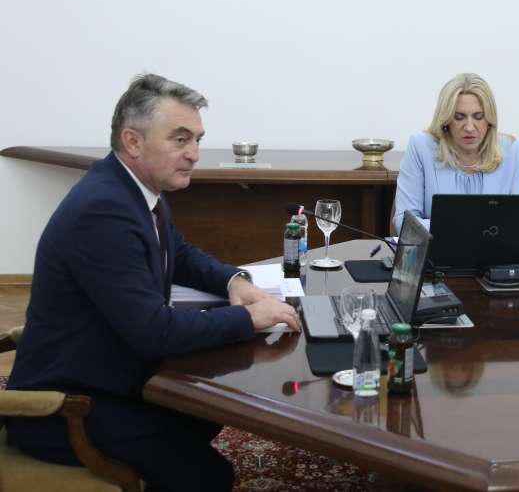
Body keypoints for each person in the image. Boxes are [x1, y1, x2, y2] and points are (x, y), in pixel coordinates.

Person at [6, 74, 300, 491]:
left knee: (204, 414)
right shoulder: (102, 211)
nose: (194, 153)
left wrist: (234, 281)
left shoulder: (134, 190)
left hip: (105, 374)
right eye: (180, 139)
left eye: (196, 139)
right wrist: (250, 319)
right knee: (208, 475)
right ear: (133, 141)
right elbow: (154, 332)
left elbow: (178, 254)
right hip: (65, 406)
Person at [394, 73, 519, 233]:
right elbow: (405, 222)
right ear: (446, 120)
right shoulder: (421, 147)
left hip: (494, 248)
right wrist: (468, 229)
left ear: (489, 120)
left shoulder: (511, 150)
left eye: (478, 117)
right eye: (459, 117)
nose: (469, 127)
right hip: (440, 247)